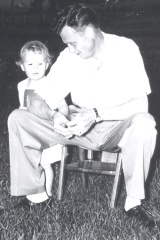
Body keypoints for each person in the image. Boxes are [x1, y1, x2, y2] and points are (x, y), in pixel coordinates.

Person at [8, 3, 157, 224]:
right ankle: (37, 196)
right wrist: (53, 115)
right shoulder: (69, 57)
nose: (70, 49)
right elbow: (37, 98)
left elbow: (140, 104)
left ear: (89, 32)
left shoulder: (126, 49)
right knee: (18, 118)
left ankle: (133, 204)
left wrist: (96, 114)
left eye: (72, 42)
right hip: (75, 127)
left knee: (145, 123)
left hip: (116, 127)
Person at [13, 40, 69, 205]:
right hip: (31, 133)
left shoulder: (51, 84)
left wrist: (62, 119)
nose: (35, 68)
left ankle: (47, 195)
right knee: (30, 162)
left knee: (44, 163)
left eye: (40, 63)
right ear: (22, 66)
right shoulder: (22, 86)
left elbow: (63, 105)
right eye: (30, 64)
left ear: (48, 64)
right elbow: (23, 109)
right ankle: (33, 194)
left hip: (48, 132)